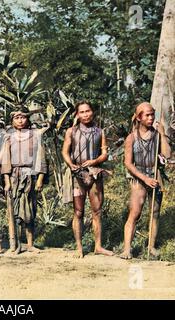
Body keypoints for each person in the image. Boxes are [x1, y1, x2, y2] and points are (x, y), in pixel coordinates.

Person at [62, 101, 113, 258]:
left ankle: (98, 246)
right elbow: (65, 151)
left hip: (95, 174)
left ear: (93, 112)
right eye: (82, 112)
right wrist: (71, 165)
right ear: (77, 114)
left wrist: (94, 161)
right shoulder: (71, 131)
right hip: (78, 174)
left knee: (97, 211)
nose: (85, 114)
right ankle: (79, 247)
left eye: (88, 111)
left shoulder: (100, 132)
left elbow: (105, 154)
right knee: (78, 212)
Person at [120, 102, 171, 259]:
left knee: (154, 213)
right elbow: (128, 163)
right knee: (135, 213)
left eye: (152, 114)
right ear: (139, 117)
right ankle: (127, 249)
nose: (150, 118)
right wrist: (144, 178)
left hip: (155, 176)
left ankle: (151, 247)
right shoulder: (132, 138)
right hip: (139, 178)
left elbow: (167, 155)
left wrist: (162, 134)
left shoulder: (157, 135)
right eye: (147, 115)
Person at [0, 107, 47, 253]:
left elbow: (41, 158)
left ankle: (30, 244)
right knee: (15, 211)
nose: (20, 120)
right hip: (14, 177)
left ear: (27, 119)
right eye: (17, 118)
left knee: (30, 210)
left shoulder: (35, 136)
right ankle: (17, 244)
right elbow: (6, 160)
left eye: (23, 117)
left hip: (30, 176)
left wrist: (40, 179)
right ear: (12, 121)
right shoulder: (9, 137)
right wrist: (7, 181)